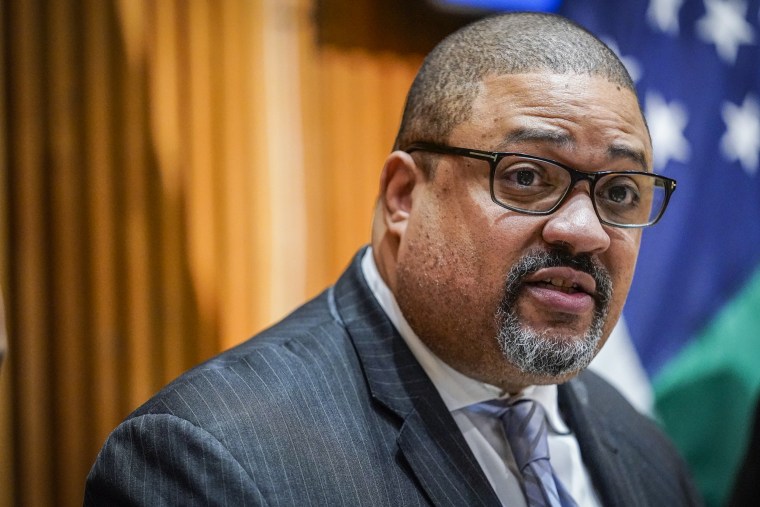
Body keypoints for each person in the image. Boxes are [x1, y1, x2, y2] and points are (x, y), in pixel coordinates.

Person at [85, 12, 701, 506]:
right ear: (404, 196)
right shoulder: (210, 458)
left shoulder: (643, 446)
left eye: (619, 193)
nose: (584, 231)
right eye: (527, 176)